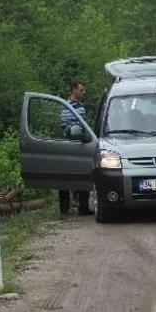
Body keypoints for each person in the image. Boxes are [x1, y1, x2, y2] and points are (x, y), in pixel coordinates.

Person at [58, 80, 91, 215]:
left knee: (84, 175)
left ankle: (83, 206)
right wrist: (74, 135)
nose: (83, 92)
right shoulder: (68, 106)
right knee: (65, 176)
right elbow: (65, 125)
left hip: (81, 143)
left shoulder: (80, 105)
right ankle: (64, 207)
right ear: (74, 90)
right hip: (71, 144)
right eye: (81, 90)